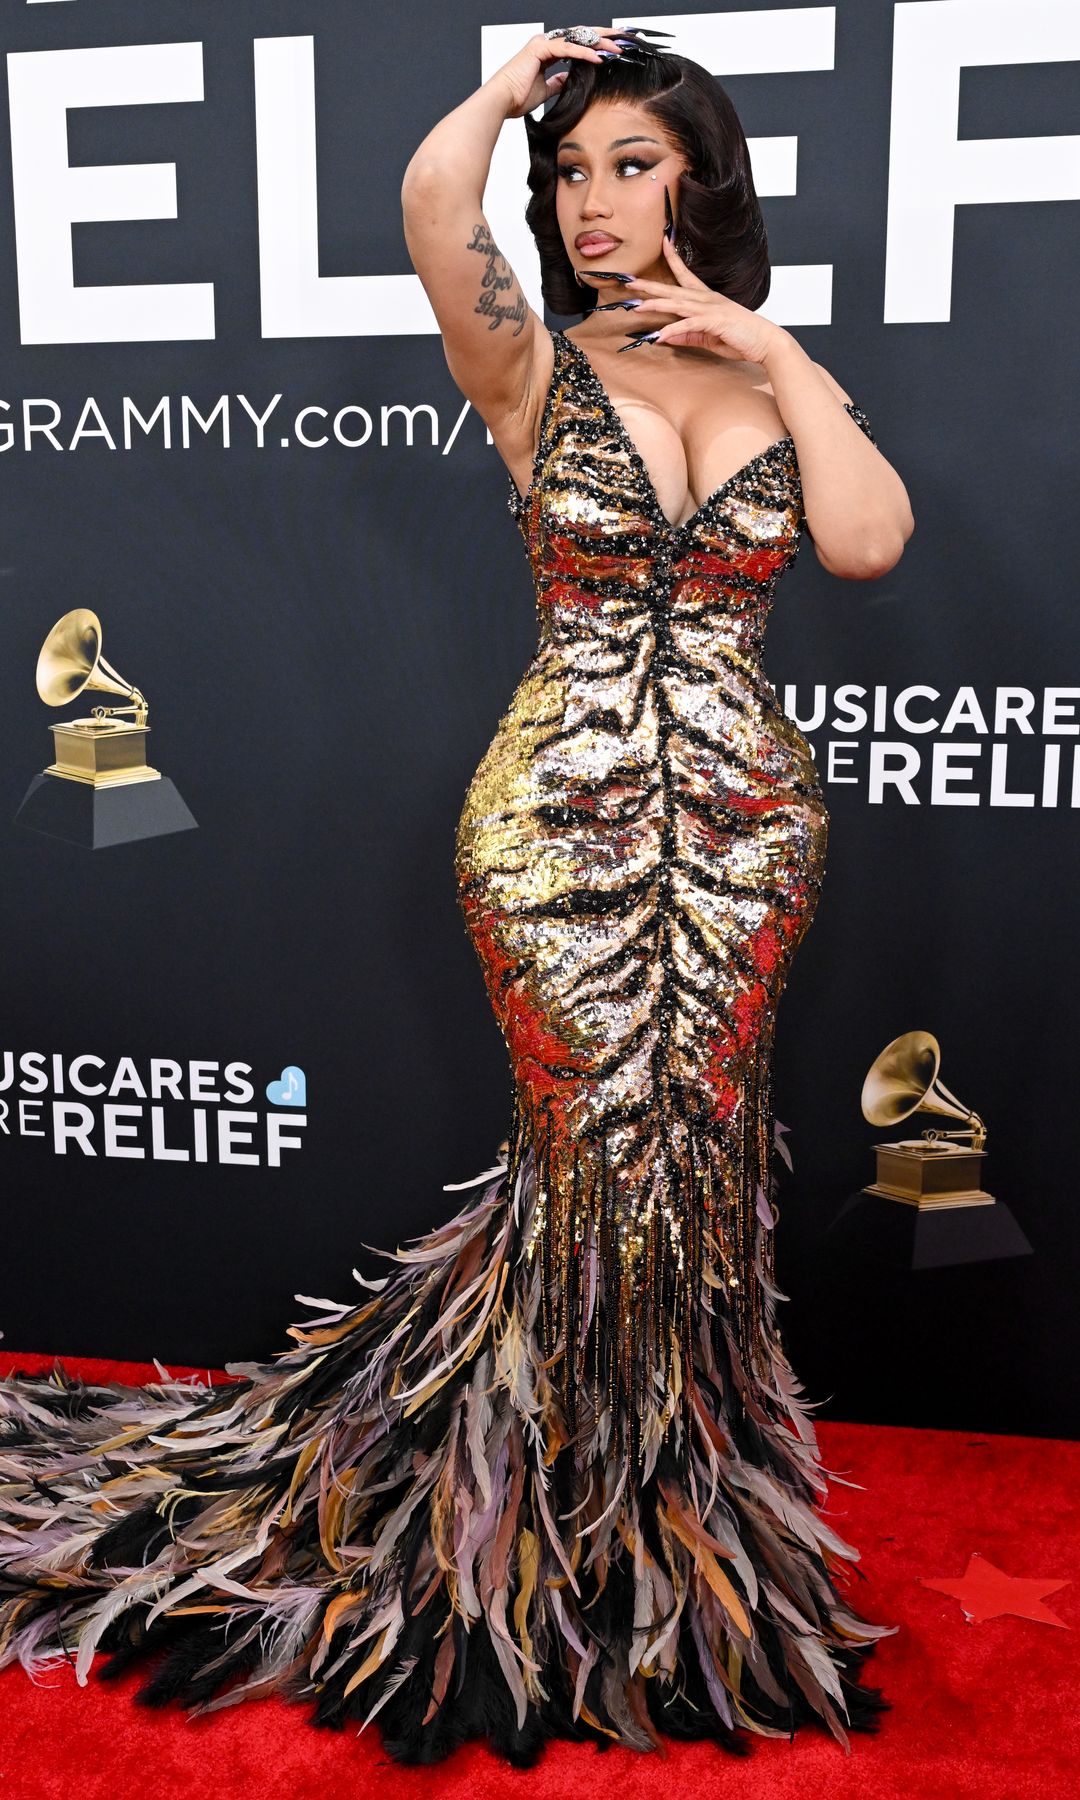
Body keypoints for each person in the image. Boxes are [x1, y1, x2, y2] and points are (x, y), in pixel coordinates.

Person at [0, 25, 913, 1770]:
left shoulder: (782, 379)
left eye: (629, 165)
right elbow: (436, 207)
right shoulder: (532, 367)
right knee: (592, 1165)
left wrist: (777, 350)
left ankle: (675, 1538)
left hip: (741, 832)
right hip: (557, 825)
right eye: (571, 174)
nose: (589, 204)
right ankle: (525, 1525)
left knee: (696, 1169)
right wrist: (508, 96)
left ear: (702, 180)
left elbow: (865, 542)